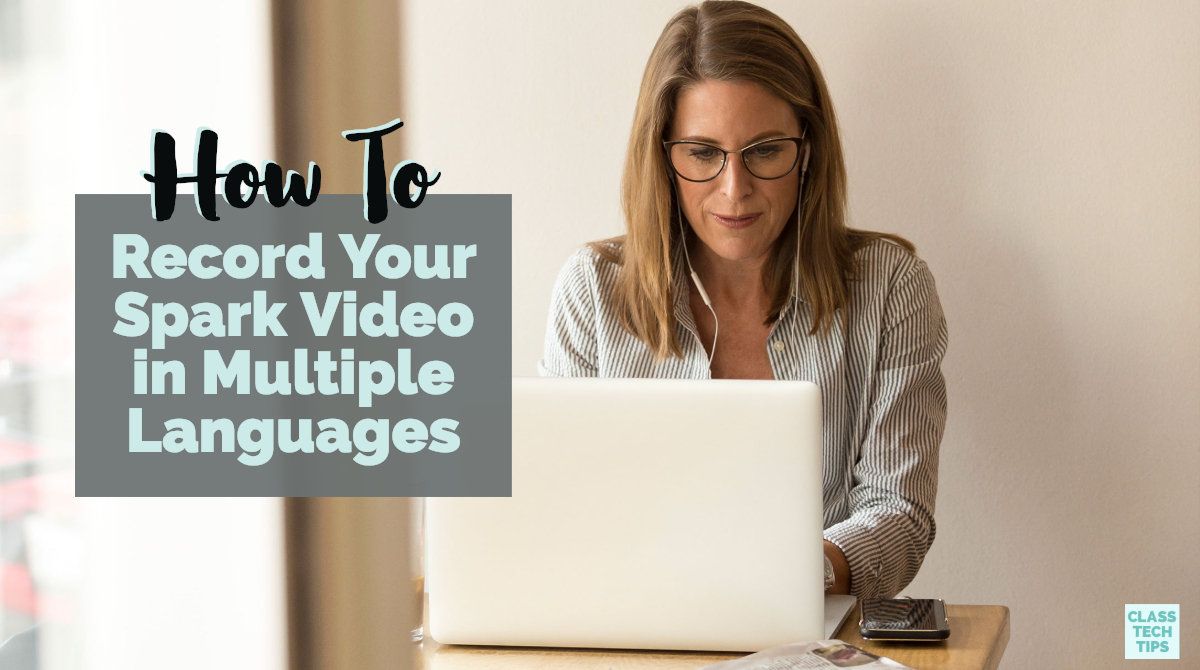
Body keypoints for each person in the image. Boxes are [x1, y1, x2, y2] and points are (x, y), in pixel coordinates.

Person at [538, 0, 948, 600]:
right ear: (664, 157)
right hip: (629, 629)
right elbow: (557, 508)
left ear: (807, 149)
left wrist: (794, 573)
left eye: (764, 151)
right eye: (703, 154)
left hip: (809, 635)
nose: (735, 190)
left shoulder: (890, 287)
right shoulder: (592, 290)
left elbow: (900, 513)